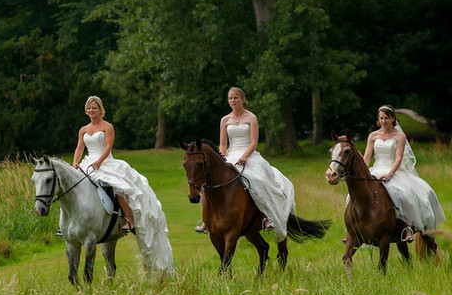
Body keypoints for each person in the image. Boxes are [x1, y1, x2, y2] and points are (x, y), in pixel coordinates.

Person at [70, 95, 175, 274]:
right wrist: (75, 162)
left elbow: (108, 146)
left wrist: (100, 162)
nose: (91, 110)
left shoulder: (107, 126)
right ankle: (69, 224)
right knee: (74, 189)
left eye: (94, 108)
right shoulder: (83, 129)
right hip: (88, 162)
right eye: (89, 108)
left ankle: (129, 219)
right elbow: (80, 147)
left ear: (100, 109)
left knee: (116, 187)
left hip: (105, 162)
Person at [195, 87, 296, 244]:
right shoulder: (225, 120)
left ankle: (266, 217)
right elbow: (222, 144)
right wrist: (222, 158)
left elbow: (254, 142)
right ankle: (206, 221)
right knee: (208, 184)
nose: (233, 101)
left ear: (243, 99)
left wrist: (245, 156)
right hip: (230, 154)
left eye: (236, 98)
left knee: (259, 180)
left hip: (249, 155)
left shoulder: (251, 118)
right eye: (230, 98)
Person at [355, 105, 445, 242]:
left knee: (405, 194)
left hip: (394, 170)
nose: (384, 121)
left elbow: (398, 158)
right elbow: (367, 157)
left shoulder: (399, 136)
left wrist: (390, 174)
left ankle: (408, 227)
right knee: (353, 195)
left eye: (386, 118)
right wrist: (364, 174)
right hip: (377, 169)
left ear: (392, 118)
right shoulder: (373, 136)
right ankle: (353, 229)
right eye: (381, 118)